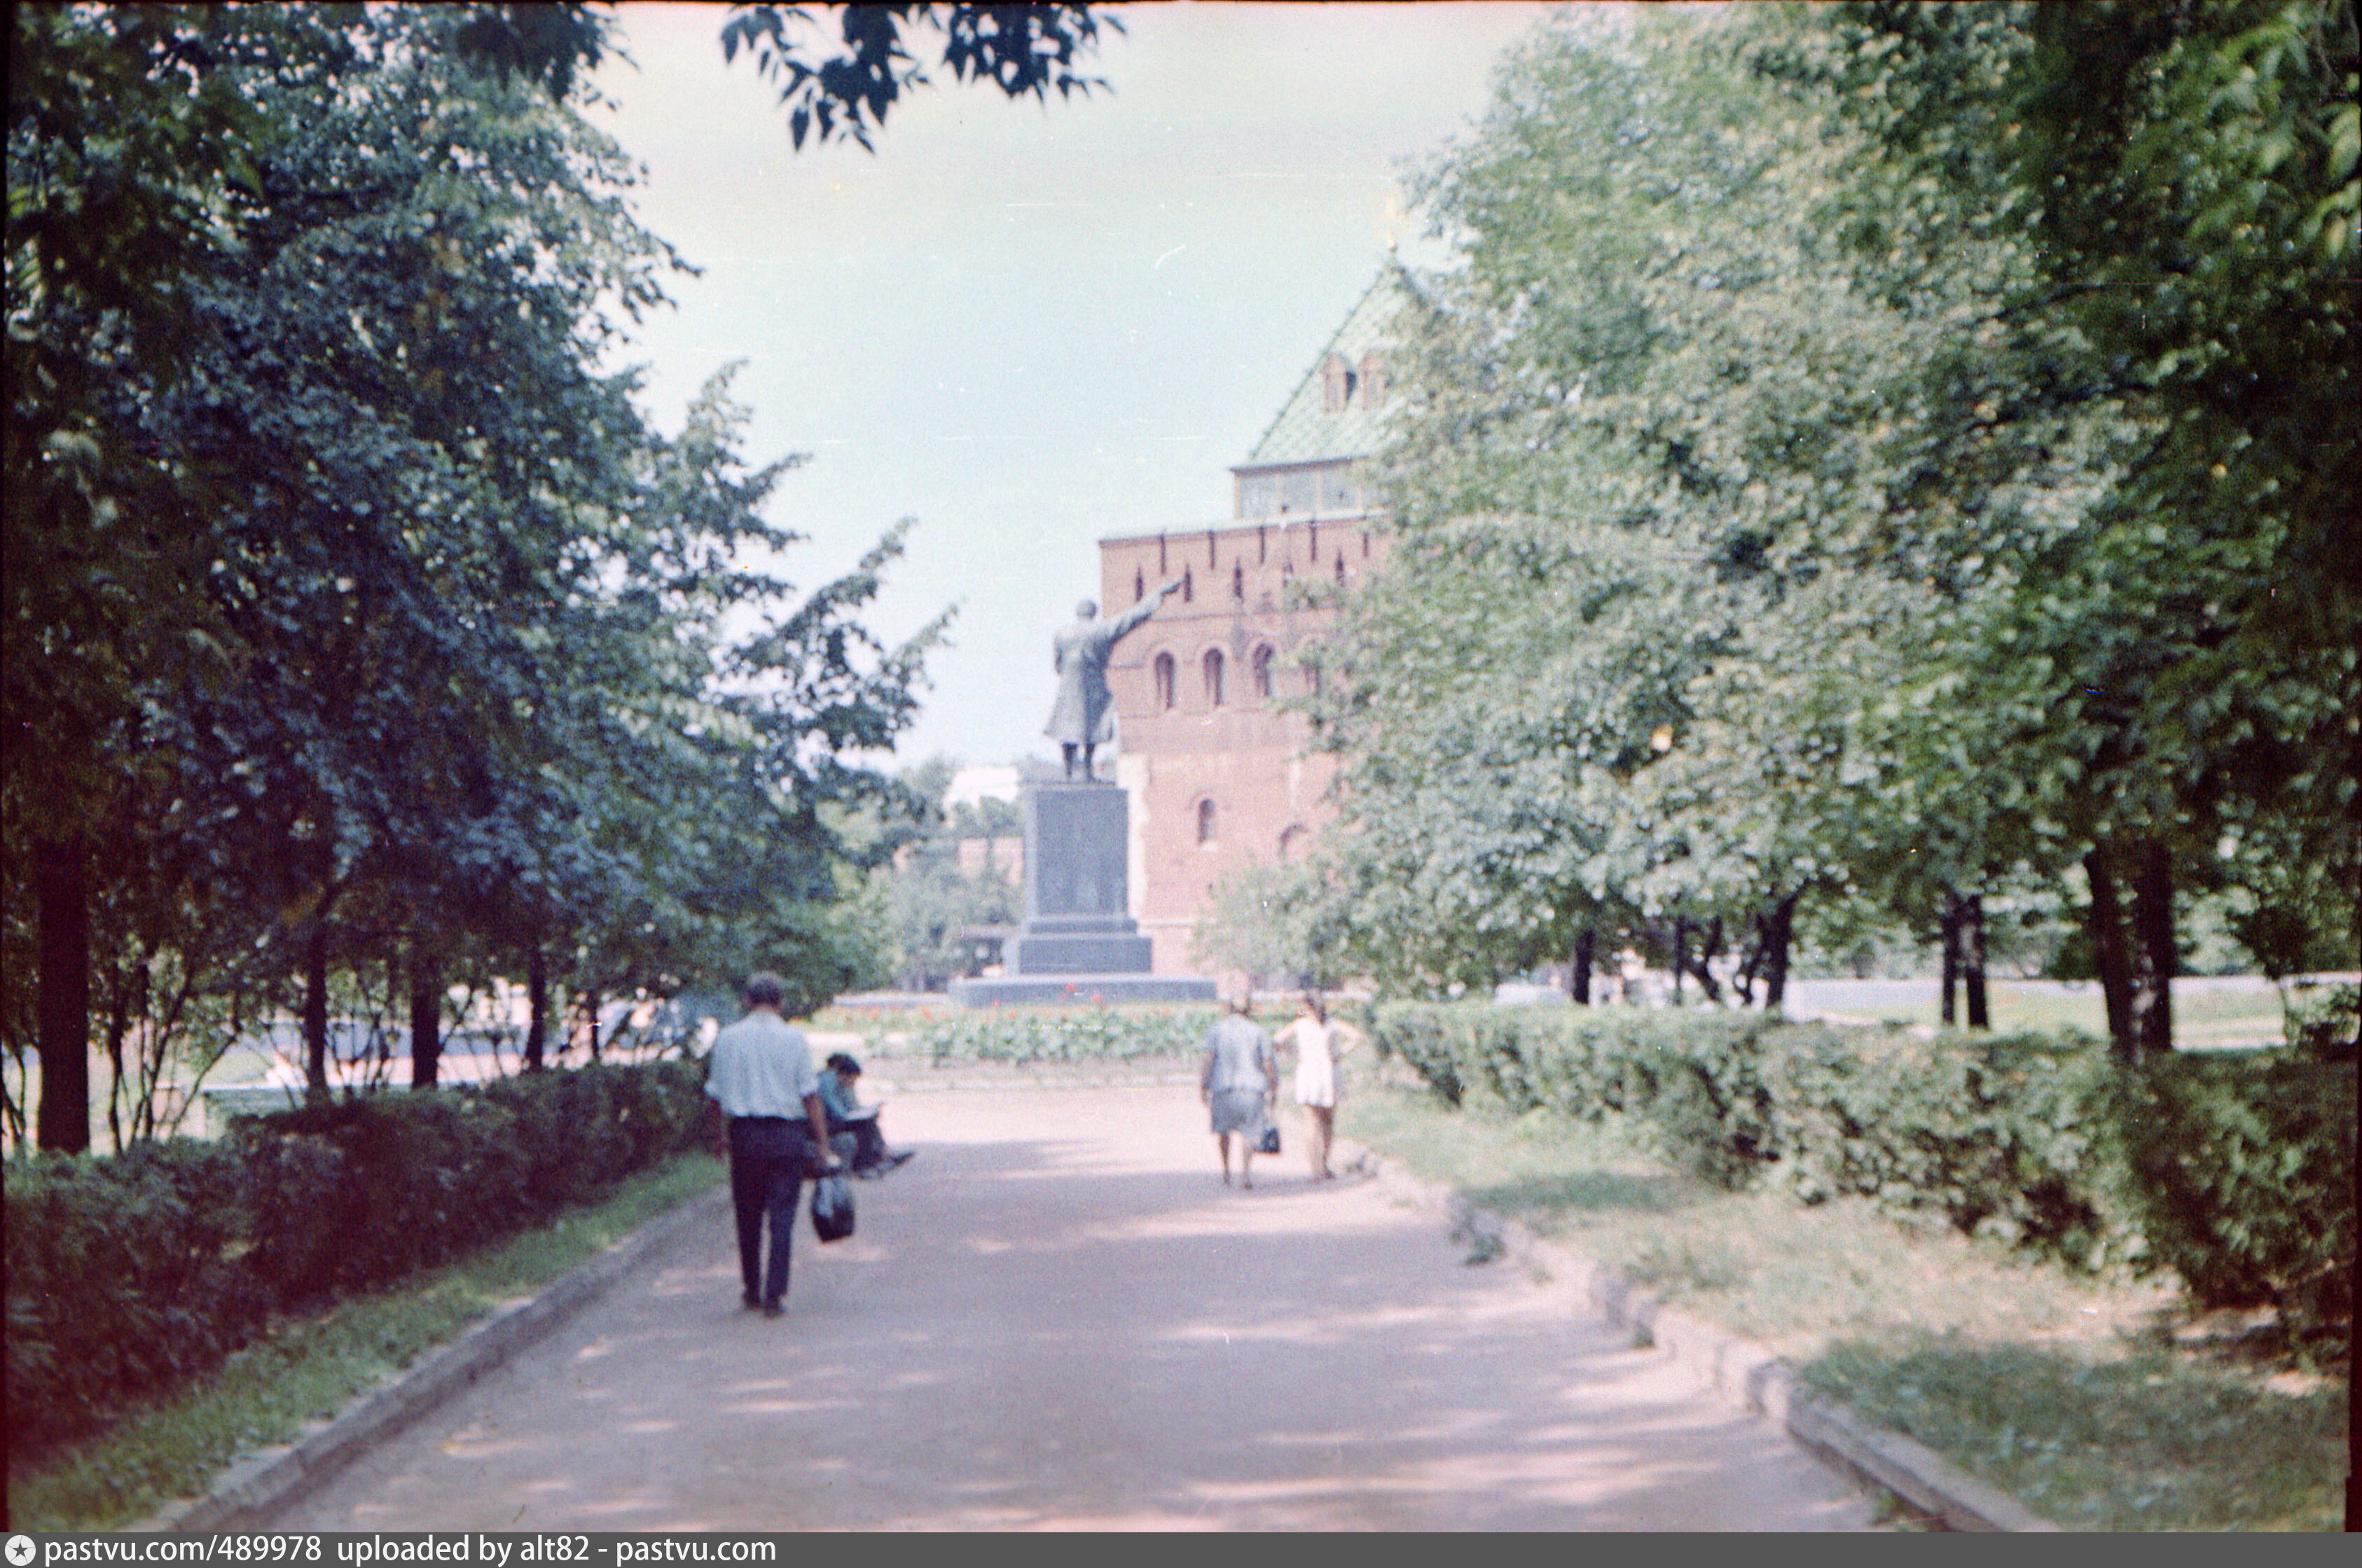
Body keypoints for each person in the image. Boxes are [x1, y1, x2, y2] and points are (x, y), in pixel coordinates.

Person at [704, 972, 842, 1318]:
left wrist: (718, 1137)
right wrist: (822, 1144)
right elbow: (810, 1097)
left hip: (745, 1137)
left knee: (747, 1216)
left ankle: (751, 1289)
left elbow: (715, 1098)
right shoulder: (794, 1039)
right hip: (786, 1138)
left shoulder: (728, 1039)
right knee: (782, 1217)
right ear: (780, 1003)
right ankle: (774, 1295)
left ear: (748, 1002)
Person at [1044, 581, 1180, 780]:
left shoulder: (1062, 635)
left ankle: (1068, 772)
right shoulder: (1101, 630)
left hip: (1069, 687)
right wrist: (1158, 596)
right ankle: (1088, 770)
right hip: (1093, 685)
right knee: (1093, 725)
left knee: (1067, 728)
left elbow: (1057, 665)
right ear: (1093, 613)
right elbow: (1131, 618)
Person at [1274, 992, 1364, 1181]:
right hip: (1328, 1072)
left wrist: (1294, 1054)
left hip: (1308, 1072)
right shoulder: (1332, 1024)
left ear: (1307, 1006)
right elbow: (1357, 1037)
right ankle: (1323, 1163)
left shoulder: (1300, 1025)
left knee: (1311, 1122)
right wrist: (1340, 1053)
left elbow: (1278, 1040)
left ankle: (1315, 1169)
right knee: (1328, 1121)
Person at [1199, 994, 1277, 1188]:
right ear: (1248, 1009)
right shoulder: (1259, 1032)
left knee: (1223, 1133)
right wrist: (1273, 1086)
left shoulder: (1216, 1031)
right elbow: (1267, 1063)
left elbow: (1208, 1060)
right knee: (1249, 1133)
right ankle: (1246, 1174)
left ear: (1229, 1008)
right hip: (1252, 1089)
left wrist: (1203, 1085)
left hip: (1223, 1087)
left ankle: (1226, 1171)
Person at [819, 1052, 913, 1177]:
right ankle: (866, 1165)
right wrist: (855, 1113)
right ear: (843, 1074)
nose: (853, 1083)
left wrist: (864, 1110)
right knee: (863, 1125)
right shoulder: (827, 1082)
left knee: (868, 1121)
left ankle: (880, 1156)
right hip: (822, 1123)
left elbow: (851, 1106)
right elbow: (837, 1111)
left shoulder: (840, 1084)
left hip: (831, 1120)